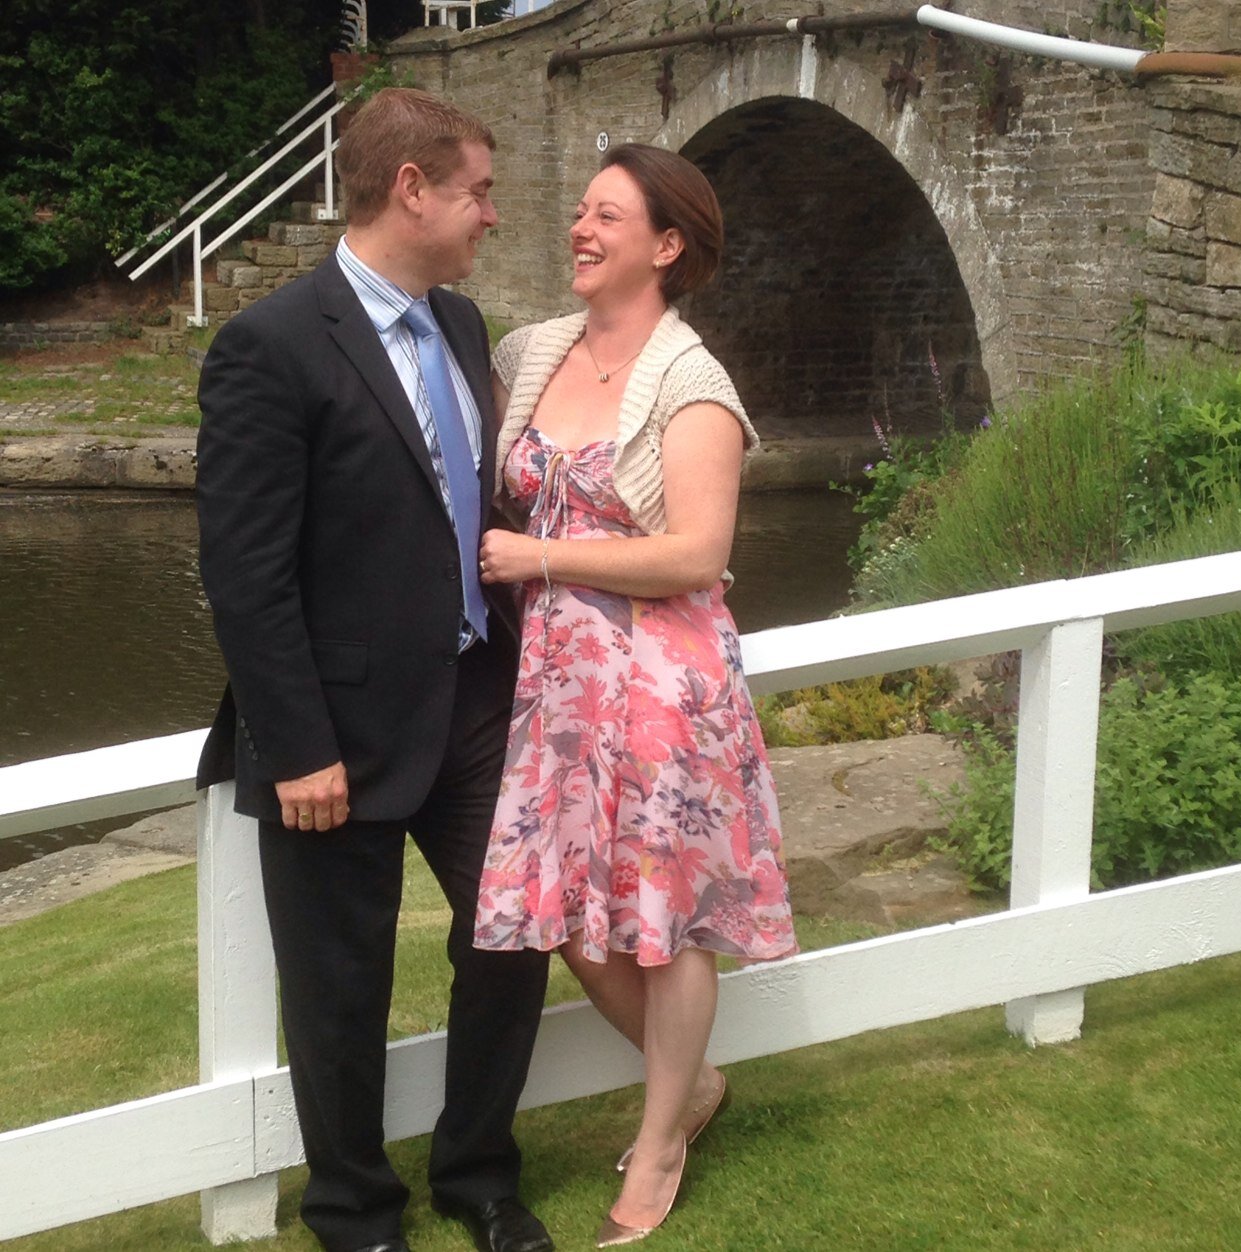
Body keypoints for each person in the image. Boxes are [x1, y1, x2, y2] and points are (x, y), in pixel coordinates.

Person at [195, 88, 553, 1252]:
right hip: (333, 732)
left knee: (509, 933)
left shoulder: (458, 323)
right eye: (479, 190)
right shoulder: (269, 344)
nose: (490, 214)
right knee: (337, 988)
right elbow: (245, 573)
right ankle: (354, 1212)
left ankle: (478, 1174)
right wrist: (297, 744)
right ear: (413, 190)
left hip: (471, 703)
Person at [473, 143, 797, 1247]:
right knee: (560, 910)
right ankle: (691, 1086)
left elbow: (697, 553)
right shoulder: (528, 352)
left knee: (667, 926)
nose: (579, 228)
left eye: (605, 216)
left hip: (664, 685)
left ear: (665, 246)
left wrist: (538, 559)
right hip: (556, 689)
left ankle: (660, 1142)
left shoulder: (693, 380)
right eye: (578, 210)